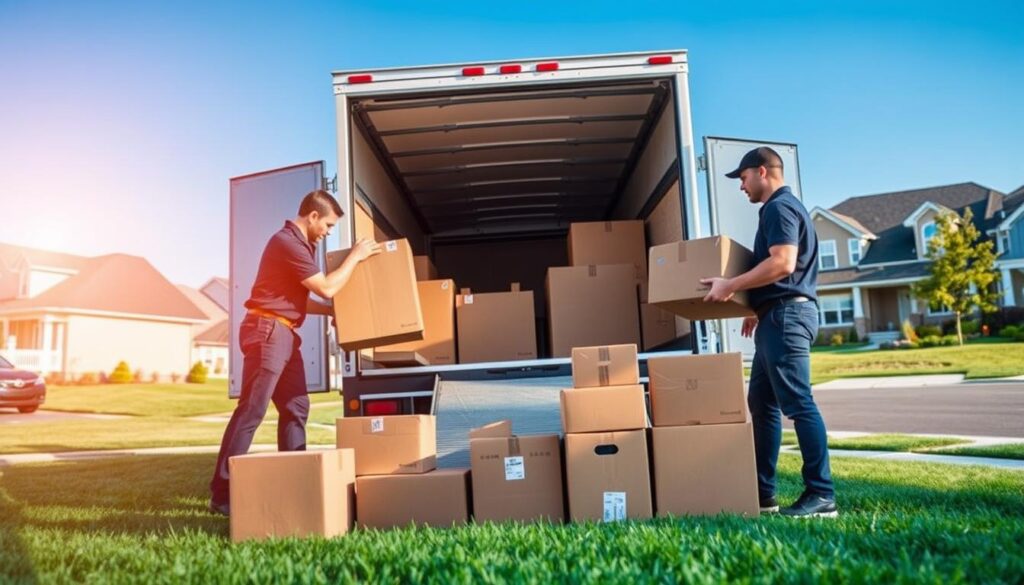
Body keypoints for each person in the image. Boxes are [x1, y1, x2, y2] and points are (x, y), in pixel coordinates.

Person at [208, 189, 380, 516]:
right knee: (252, 410)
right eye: (328, 225)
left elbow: (300, 300)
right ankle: (222, 493)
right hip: (267, 331)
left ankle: (293, 477)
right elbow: (327, 288)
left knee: (297, 406)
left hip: (284, 332)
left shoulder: (303, 246)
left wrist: (332, 313)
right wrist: (355, 256)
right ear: (312, 216)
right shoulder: (286, 242)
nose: (329, 232)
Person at [701, 147, 837, 518]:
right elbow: (783, 271)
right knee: (762, 405)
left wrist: (731, 285)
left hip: (787, 318)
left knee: (798, 403)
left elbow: (783, 263)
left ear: (762, 171)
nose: (741, 186)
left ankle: (822, 495)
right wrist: (757, 307)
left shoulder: (779, 207)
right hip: (775, 316)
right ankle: (763, 495)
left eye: (743, 178)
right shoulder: (783, 208)